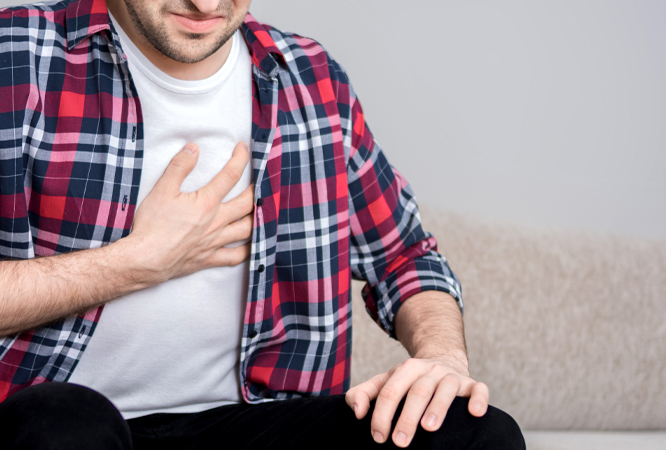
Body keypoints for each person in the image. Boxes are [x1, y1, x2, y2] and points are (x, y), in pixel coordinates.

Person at [0, 0, 525, 448]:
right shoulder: (19, 54)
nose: (205, 5)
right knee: (66, 428)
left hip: (251, 424)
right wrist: (137, 262)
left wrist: (441, 357)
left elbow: (407, 258)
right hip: (60, 422)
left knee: (477, 434)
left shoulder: (312, 79)